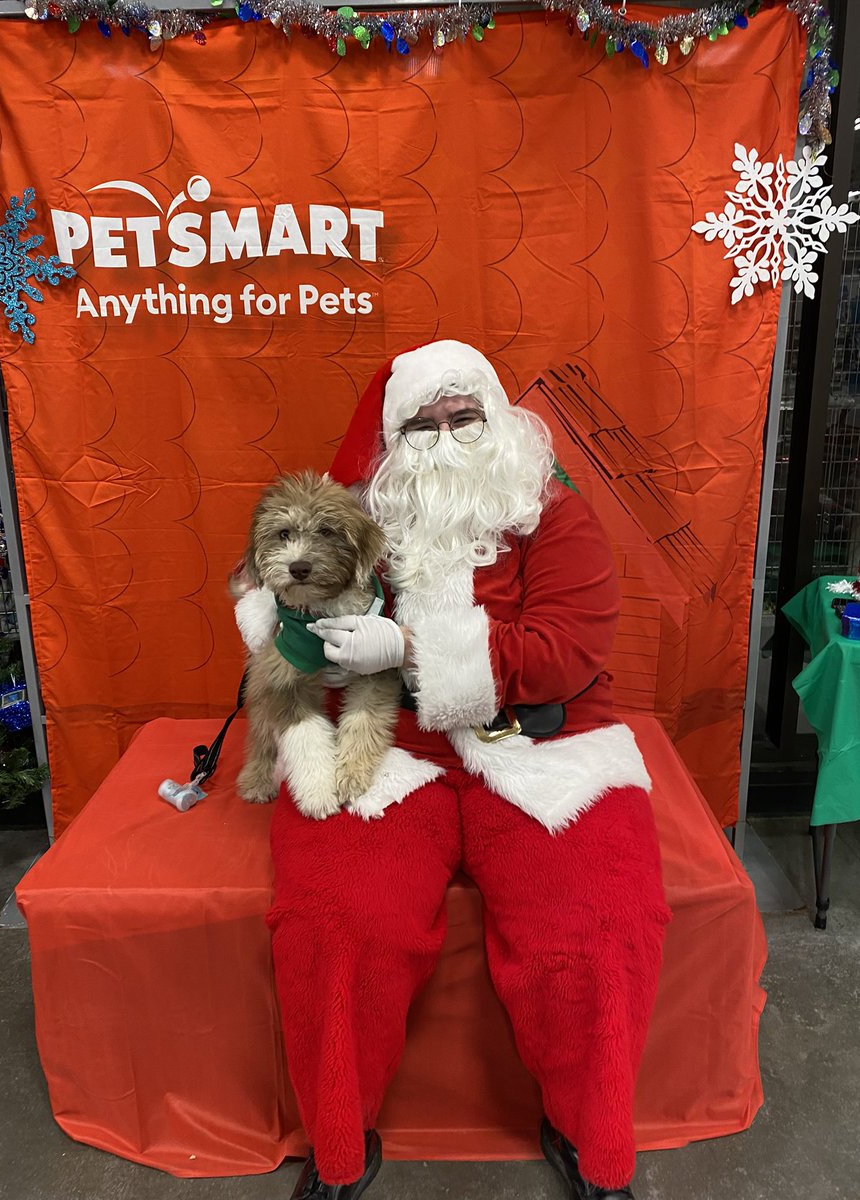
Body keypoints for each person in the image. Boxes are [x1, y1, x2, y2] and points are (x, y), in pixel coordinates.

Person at [235, 340, 671, 1200]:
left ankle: (589, 1135)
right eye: (422, 425)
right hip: (391, 745)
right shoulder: (358, 520)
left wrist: (411, 645)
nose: (445, 437)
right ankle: (340, 1141)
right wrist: (285, 625)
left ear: (499, 422)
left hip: (541, 745)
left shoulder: (555, 515)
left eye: (464, 417)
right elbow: (285, 599)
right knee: (333, 920)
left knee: (602, 921)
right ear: (394, 443)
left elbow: (568, 651)